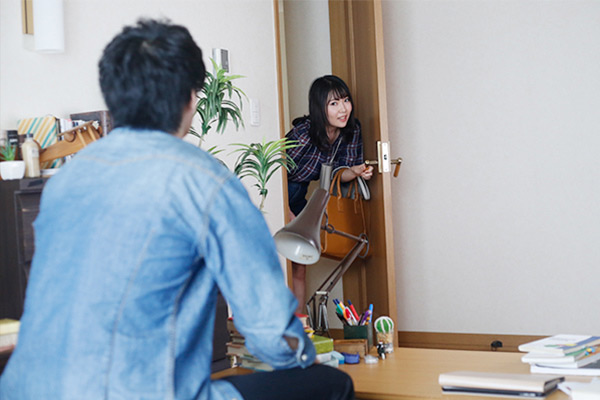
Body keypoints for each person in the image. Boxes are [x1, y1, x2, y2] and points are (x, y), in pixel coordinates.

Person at [0, 19, 354, 400]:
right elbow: (269, 329)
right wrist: (306, 356)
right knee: (333, 384)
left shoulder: (65, 181)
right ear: (190, 98)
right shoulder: (207, 181)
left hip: (24, 389)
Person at [286, 75, 373, 312]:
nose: (343, 109)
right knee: (278, 261)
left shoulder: (351, 130)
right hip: (281, 192)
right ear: (319, 107)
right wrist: (285, 211)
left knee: (300, 262)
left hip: (302, 196)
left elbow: (339, 173)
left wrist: (355, 171)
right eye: (334, 104)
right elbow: (275, 172)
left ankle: (300, 323)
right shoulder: (303, 133)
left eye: (345, 100)